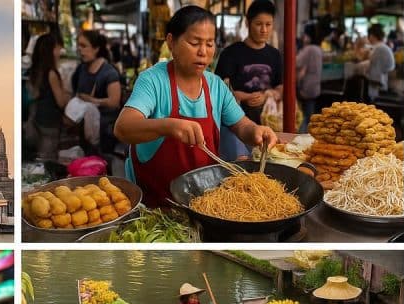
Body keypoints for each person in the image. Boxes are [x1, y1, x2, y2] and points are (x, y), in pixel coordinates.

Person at [114, 5, 279, 207]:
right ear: (171, 42)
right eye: (194, 42)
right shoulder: (153, 80)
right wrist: (170, 127)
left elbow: (241, 125)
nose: (203, 52)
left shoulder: (215, 85)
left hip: (204, 202)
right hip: (157, 205)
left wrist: (255, 131)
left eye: (209, 44)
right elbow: (123, 127)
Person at [214, 0, 283, 160]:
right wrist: (245, 97)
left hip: (268, 125)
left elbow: (281, 87)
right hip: (234, 129)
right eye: (259, 24)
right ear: (248, 22)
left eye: (268, 24)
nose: (264, 29)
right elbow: (218, 89)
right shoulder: (230, 53)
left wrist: (266, 95)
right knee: (241, 167)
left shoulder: (275, 55)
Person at [66, 30, 123, 152]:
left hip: (103, 134)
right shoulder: (81, 69)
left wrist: (92, 100)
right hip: (83, 133)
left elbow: (114, 102)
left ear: (96, 48)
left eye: (84, 46)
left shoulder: (109, 72)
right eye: (78, 46)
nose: (80, 49)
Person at [27, 31, 68, 161]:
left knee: (41, 154)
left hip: (38, 119)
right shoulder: (52, 73)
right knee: (48, 158)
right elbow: (61, 101)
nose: (60, 50)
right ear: (50, 50)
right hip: (50, 122)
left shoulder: (36, 70)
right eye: (57, 47)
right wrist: (69, 95)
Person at [296, 29, 323, 134]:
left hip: (306, 86)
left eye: (305, 35)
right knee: (310, 113)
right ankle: (309, 134)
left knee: (304, 115)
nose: (303, 38)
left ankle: (302, 135)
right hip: (316, 86)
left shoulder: (308, 49)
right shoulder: (318, 49)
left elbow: (296, 62)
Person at [364, 23, 395, 102]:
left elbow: (372, 69)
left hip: (377, 86)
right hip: (380, 82)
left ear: (371, 36)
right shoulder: (381, 47)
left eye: (369, 36)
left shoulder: (379, 49)